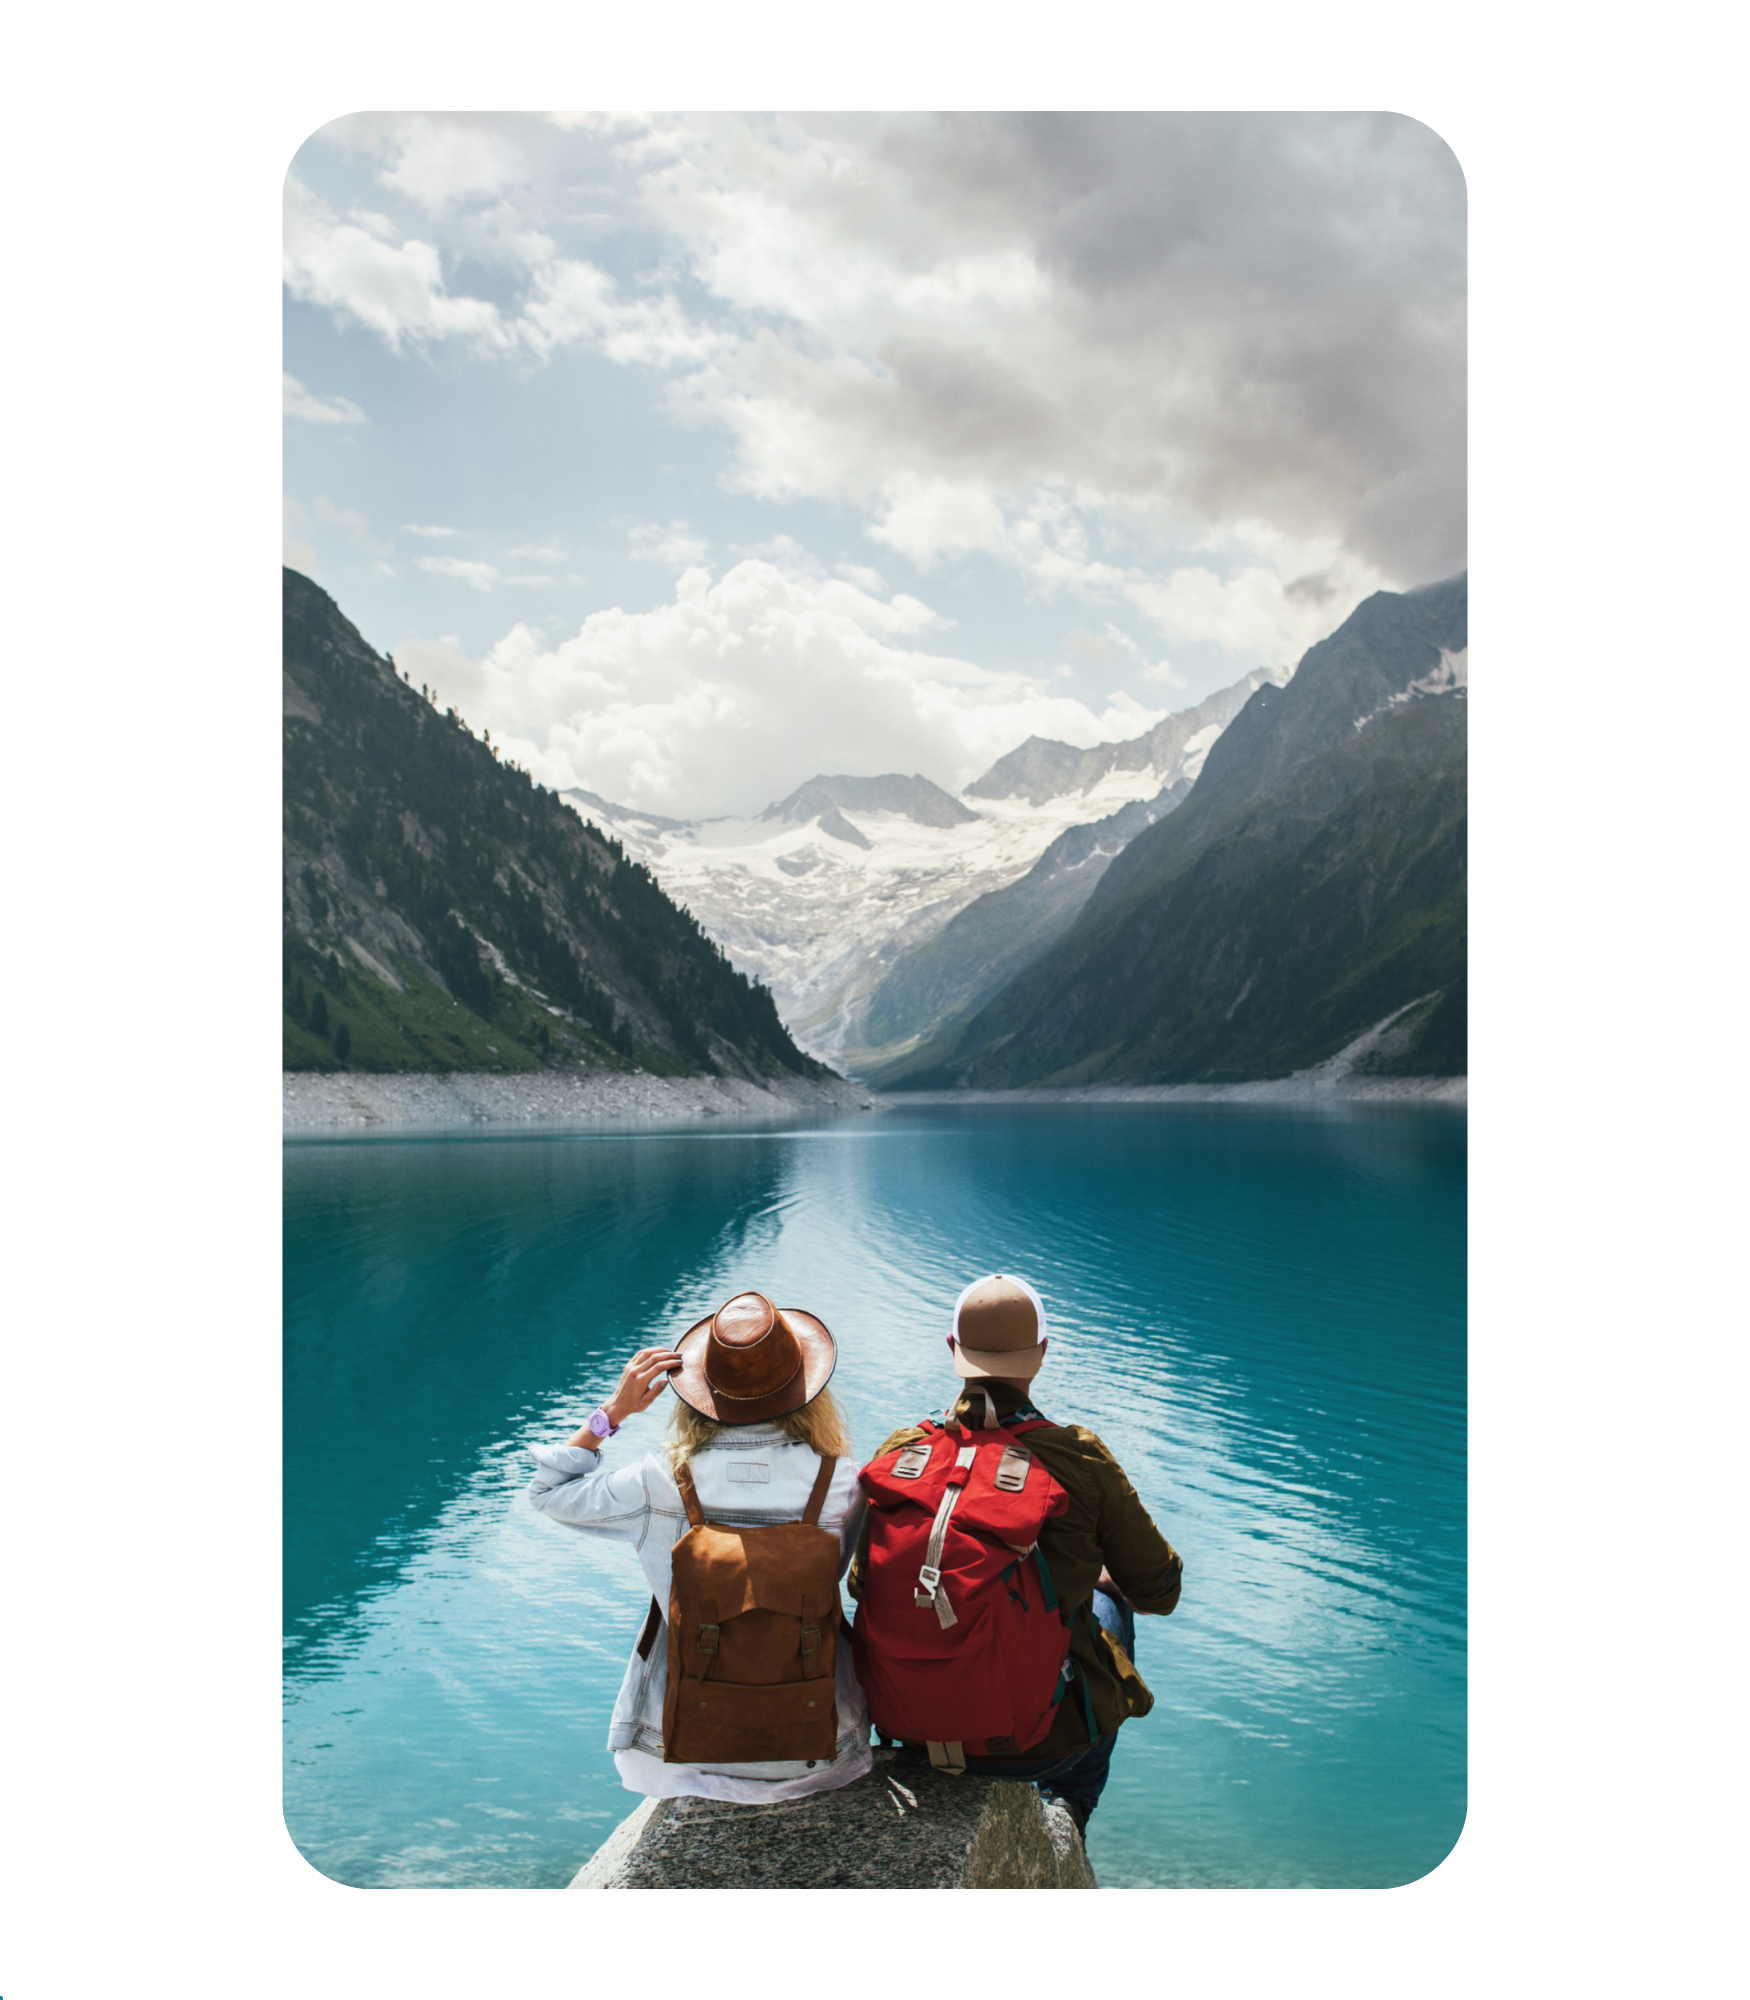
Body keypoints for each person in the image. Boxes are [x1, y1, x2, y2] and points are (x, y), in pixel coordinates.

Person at [848, 1272, 1182, 1834]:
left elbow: (863, 1582)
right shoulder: (1081, 1459)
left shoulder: (903, 1454)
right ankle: (1068, 1808)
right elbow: (1160, 1592)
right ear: (1043, 1354)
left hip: (905, 1726)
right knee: (1109, 1608)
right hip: (1039, 1743)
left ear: (951, 1349)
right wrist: (1100, 1579)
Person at [527, 1290, 872, 1803]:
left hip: (682, 1750)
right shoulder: (841, 1483)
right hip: (818, 1747)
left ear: (699, 1394)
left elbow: (548, 1494)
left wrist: (612, 1412)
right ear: (805, 1389)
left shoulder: (659, 1481)